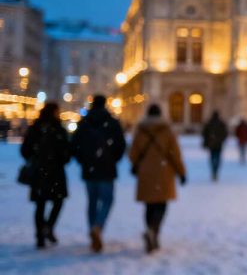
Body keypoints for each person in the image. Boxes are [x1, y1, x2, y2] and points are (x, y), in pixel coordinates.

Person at [71, 94, 126, 253]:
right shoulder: (112, 123)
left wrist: (83, 160)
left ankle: (92, 228)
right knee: (107, 200)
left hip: (89, 169)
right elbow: (120, 145)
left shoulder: (84, 123)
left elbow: (74, 145)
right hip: (107, 168)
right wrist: (112, 159)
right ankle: (98, 227)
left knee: (92, 201)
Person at [129, 104, 186, 253]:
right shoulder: (167, 131)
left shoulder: (140, 130)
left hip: (146, 172)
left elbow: (132, 153)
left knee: (149, 205)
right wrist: (181, 172)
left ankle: (149, 229)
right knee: (162, 204)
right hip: (164, 172)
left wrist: (137, 164)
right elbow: (175, 154)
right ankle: (154, 230)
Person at [21, 102, 70, 249]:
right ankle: (48, 227)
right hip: (55, 172)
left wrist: (35, 158)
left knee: (40, 204)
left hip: (39, 172)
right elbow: (66, 152)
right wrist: (60, 159)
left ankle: (40, 235)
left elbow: (25, 150)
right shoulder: (59, 130)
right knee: (58, 201)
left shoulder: (35, 128)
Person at [202, 111, 227, 181]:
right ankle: (215, 170)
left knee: (213, 158)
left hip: (212, 144)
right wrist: (221, 140)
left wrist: (208, 141)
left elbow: (204, 134)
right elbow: (225, 134)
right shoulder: (221, 124)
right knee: (217, 158)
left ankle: (214, 170)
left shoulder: (209, 123)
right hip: (218, 145)